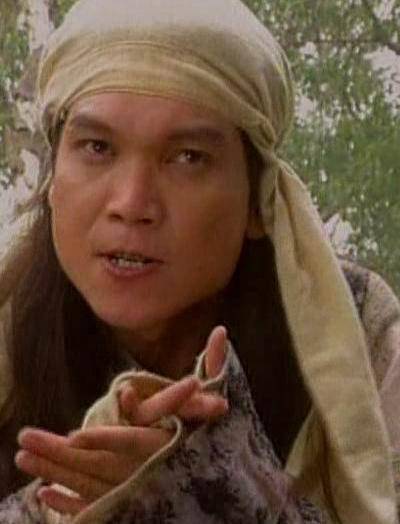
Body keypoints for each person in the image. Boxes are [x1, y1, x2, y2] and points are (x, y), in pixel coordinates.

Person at [0, 0, 398, 522]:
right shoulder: (9, 330)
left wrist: (220, 495)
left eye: (187, 157)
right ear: (54, 181)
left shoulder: (358, 336)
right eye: (97, 147)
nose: (132, 203)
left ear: (257, 202)